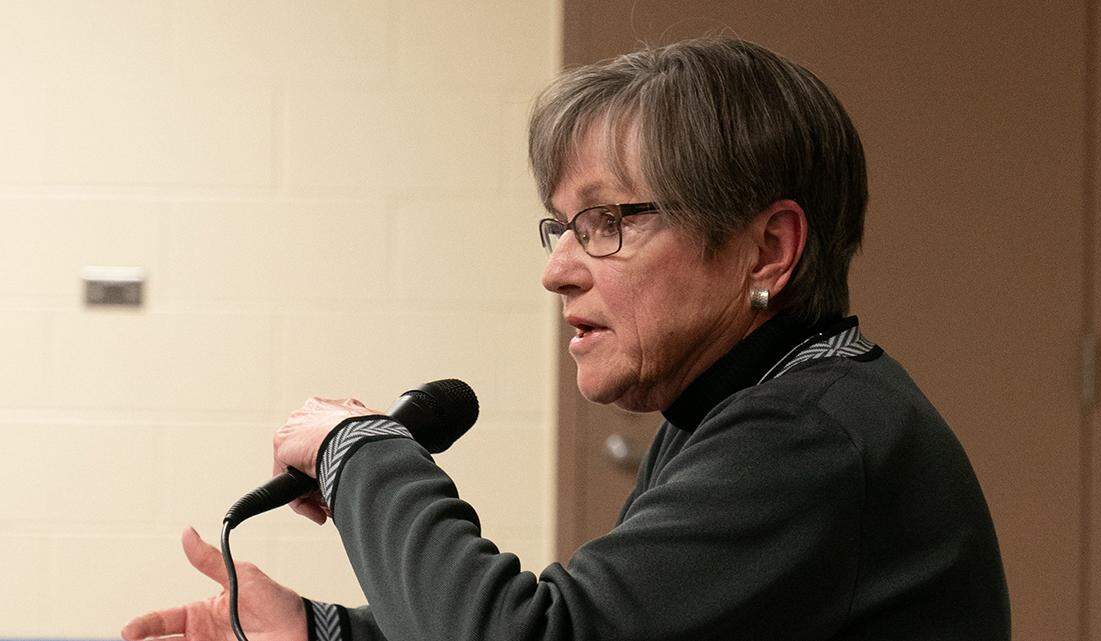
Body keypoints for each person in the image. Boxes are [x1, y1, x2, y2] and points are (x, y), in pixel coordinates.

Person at [122, 37, 1010, 641]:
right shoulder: (749, 408)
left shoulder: (810, 437)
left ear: (766, 248)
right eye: (562, 230)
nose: (559, 270)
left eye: (607, 223)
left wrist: (364, 448)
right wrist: (322, 632)